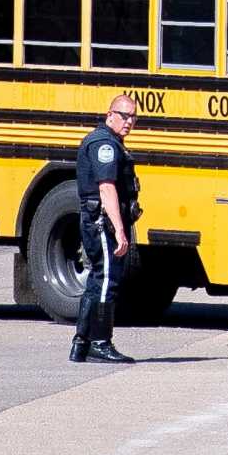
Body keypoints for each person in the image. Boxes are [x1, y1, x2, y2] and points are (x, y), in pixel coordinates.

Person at [71, 94, 144, 364]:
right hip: (102, 220)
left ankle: (81, 343)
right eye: (123, 115)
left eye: (133, 116)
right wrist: (119, 230)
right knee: (107, 281)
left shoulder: (110, 141)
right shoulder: (105, 144)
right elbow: (106, 187)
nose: (129, 121)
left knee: (97, 279)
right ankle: (100, 343)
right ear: (109, 114)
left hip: (98, 219)